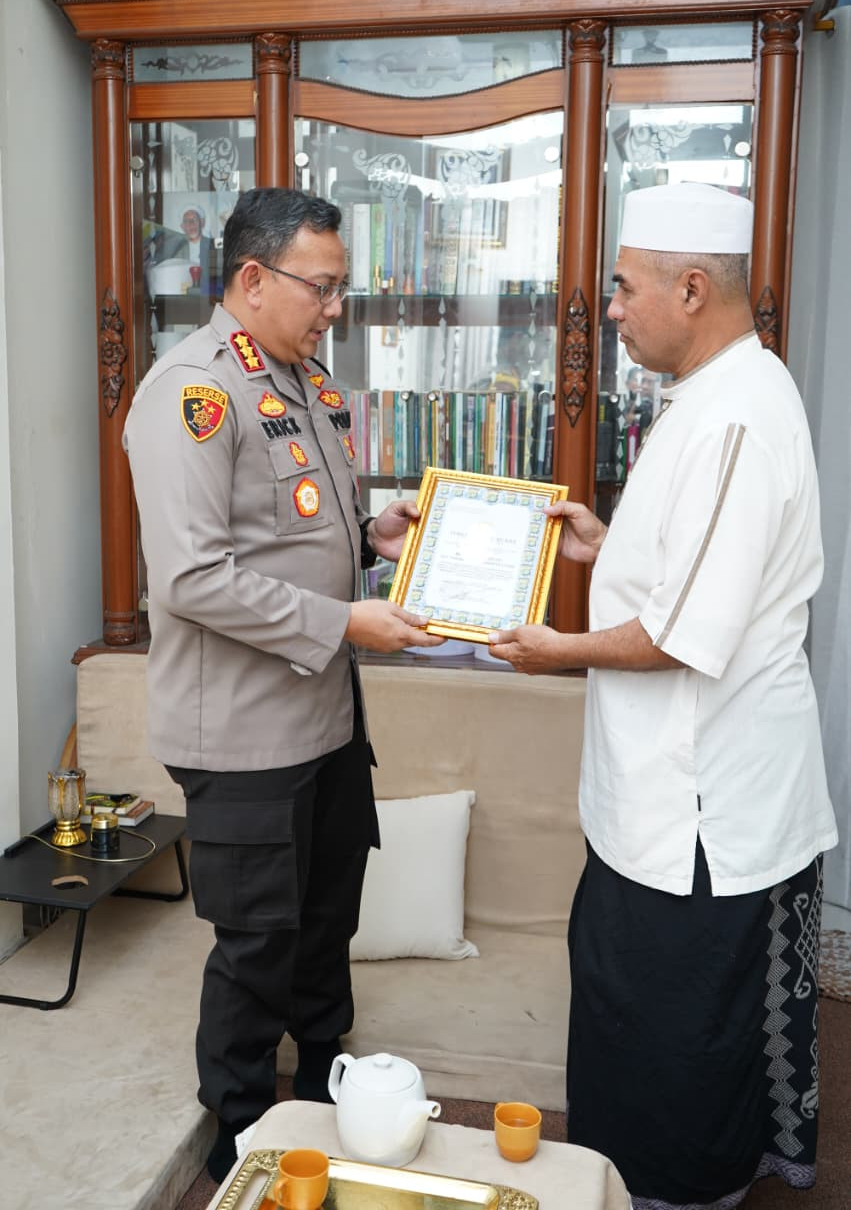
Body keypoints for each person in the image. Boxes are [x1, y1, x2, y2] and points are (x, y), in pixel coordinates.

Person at [487, 182, 838, 1209]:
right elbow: (688, 570)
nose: (607, 305)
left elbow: (684, 634)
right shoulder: (716, 392)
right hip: (660, 800)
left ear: (691, 288)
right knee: (625, 1016)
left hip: (697, 816)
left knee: (668, 1046)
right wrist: (609, 542)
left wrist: (552, 649)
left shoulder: (733, 415)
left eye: (621, 284)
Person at [123, 187, 443, 1182]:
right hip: (244, 735)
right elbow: (191, 575)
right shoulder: (190, 392)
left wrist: (372, 538)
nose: (335, 306)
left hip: (325, 719)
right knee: (258, 946)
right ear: (252, 278)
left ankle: (330, 1092)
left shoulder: (303, 381)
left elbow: (298, 532)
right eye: (322, 285)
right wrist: (345, 620)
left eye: (341, 287)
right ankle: (241, 1143)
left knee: (324, 926)